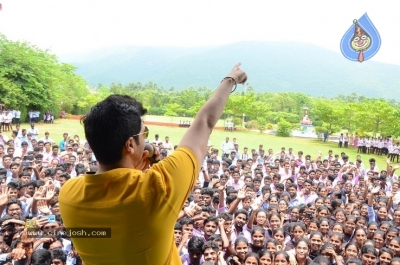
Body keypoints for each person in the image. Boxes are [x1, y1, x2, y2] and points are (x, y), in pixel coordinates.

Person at [58, 63, 247, 264]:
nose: (146, 139)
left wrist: (136, 156)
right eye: (144, 133)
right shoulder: (157, 186)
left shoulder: (68, 194)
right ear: (130, 144)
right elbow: (205, 122)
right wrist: (230, 80)